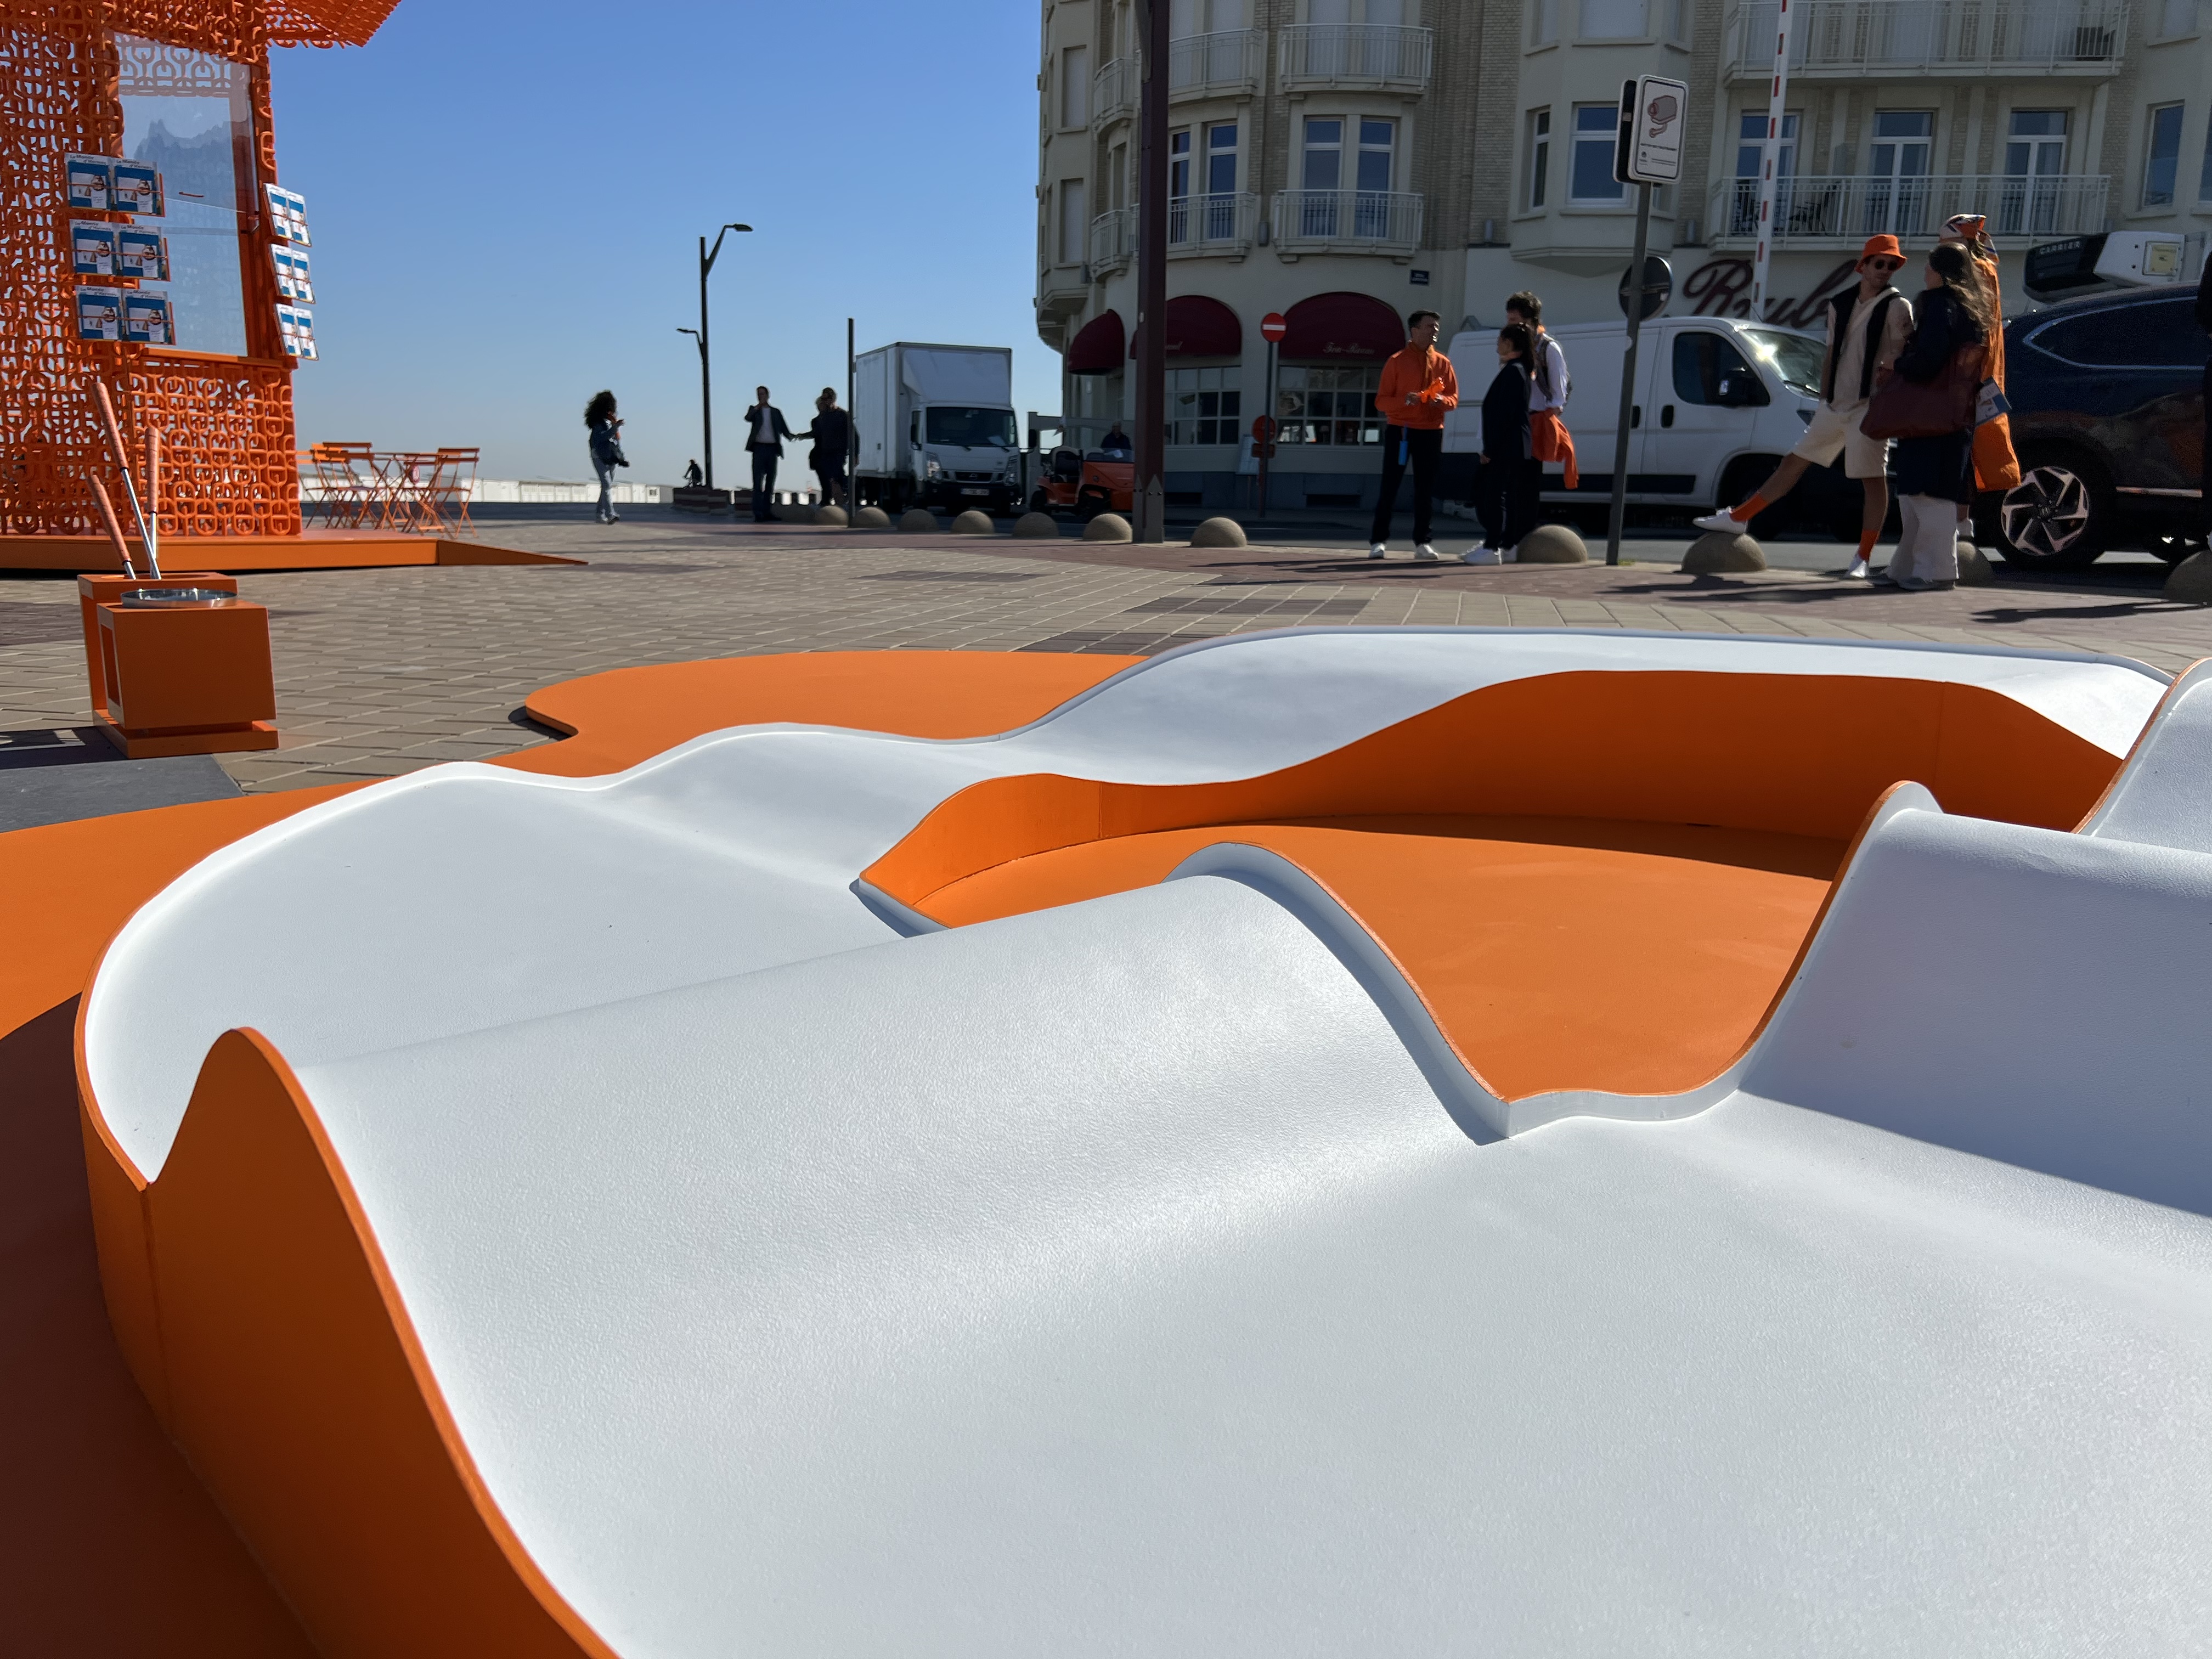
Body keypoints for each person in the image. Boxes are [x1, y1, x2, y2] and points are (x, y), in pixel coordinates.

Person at [1694, 234, 1914, 579]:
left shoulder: (1898, 306)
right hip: (1834, 404)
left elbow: (1904, 353)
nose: (1885, 270)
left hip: (1869, 406)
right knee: (1793, 462)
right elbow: (1830, 352)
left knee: (1873, 480)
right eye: (1880, 263)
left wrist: (1887, 379)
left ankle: (1863, 558)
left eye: (1892, 265)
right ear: (1864, 266)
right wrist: (1824, 398)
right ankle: (1738, 517)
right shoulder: (1840, 303)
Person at [1879, 241, 1992, 592]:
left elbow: (1929, 360)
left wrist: (1897, 363)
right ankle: (1904, 567)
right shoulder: (1973, 309)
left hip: (1929, 414)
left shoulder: (1937, 304)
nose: (1925, 272)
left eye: (1930, 266)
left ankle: (1936, 571)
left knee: (1925, 494)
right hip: (1957, 414)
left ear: (1941, 272)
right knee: (1926, 492)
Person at [1369, 307, 1460, 561]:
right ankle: (1378, 541)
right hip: (1401, 430)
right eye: (1430, 326)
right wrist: (1405, 401)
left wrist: (1440, 401)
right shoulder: (1396, 361)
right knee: (1390, 486)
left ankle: (1423, 542)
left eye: (1437, 327)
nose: (1435, 331)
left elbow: (1453, 399)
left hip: (1431, 432)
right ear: (1415, 330)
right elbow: (1381, 402)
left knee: (1425, 490)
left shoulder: (1443, 363)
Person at [1470, 323, 1536, 564]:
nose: (1497, 345)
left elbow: (1504, 416)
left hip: (1506, 447)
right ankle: (1507, 546)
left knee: (1494, 496)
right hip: (1512, 446)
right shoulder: (1519, 370)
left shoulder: (1513, 371)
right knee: (1506, 496)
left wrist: (1490, 450)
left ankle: (1492, 547)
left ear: (1509, 343)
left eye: (1500, 340)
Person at [1505, 290, 1578, 491]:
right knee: (1511, 484)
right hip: (1514, 421)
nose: (1510, 325)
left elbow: (1559, 394)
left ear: (1530, 321)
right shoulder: (1513, 348)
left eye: (1514, 320)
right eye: (1509, 320)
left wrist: (1543, 421)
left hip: (1535, 422)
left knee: (1527, 484)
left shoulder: (1549, 348)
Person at [743, 386, 795, 523]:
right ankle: (758, 513)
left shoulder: (776, 412)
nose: (760, 397)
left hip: (772, 449)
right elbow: (748, 418)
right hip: (759, 448)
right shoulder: (754, 410)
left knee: (770, 482)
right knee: (758, 482)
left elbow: (784, 429)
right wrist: (758, 407)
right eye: (758, 394)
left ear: (768, 395)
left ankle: (767, 511)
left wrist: (795, 437)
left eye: (762, 394)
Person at [584, 389, 625, 524]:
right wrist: (615, 428)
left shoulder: (611, 422)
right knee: (607, 484)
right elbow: (601, 438)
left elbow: (616, 442)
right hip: (599, 457)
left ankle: (599, 514)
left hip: (611, 457)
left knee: (606, 486)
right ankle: (610, 514)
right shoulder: (598, 424)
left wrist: (621, 457)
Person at [808, 388, 850, 508]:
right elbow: (816, 434)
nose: (824, 402)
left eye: (826, 399)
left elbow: (852, 434)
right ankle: (835, 502)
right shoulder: (822, 418)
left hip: (837, 452)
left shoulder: (841, 415)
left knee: (837, 477)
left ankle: (845, 495)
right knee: (830, 480)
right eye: (823, 399)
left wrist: (854, 452)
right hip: (824, 453)